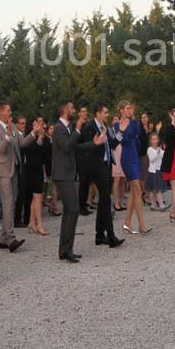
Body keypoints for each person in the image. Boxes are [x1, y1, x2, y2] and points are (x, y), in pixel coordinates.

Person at [52, 100, 99, 262]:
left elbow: (76, 147)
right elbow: (66, 147)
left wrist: (94, 143)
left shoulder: (68, 128)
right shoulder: (58, 128)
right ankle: (66, 249)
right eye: (72, 108)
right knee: (73, 208)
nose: (74, 110)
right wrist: (78, 129)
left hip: (68, 174)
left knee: (69, 211)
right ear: (65, 110)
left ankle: (65, 250)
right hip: (62, 174)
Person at [0, 103, 38, 253]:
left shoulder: (12, 127)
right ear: (1, 112)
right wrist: (7, 134)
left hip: (14, 170)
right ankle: (10, 239)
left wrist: (33, 133)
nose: (11, 112)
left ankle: (4, 239)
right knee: (8, 204)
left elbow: (22, 143)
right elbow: (2, 148)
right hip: (3, 171)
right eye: (9, 110)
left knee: (11, 202)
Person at [80, 104, 124, 248]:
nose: (107, 115)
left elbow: (112, 144)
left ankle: (100, 236)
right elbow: (87, 147)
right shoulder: (90, 127)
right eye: (105, 112)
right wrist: (98, 139)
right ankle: (111, 237)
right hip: (96, 167)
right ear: (98, 113)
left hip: (106, 166)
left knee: (104, 201)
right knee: (105, 200)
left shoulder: (104, 127)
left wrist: (120, 132)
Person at [115, 100, 151, 235]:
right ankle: (142, 225)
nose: (130, 110)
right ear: (122, 110)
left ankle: (127, 223)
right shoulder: (116, 124)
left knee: (134, 193)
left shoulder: (134, 123)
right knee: (137, 189)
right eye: (127, 108)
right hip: (126, 158)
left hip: (135, 156)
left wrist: (133, 119)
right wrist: (122, 130)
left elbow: (139, 135)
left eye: (131, 108)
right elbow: (118, 140)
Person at [24, 117, 49, 236]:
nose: (38, 126)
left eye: (39, 124)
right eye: (35, 124)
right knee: (37, 198)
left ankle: (31, 223)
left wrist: (41, 136)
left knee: (36, 198)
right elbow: (31, 151)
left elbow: (44, 154)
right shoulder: (28, 139)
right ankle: (39, 224)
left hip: (38, 170)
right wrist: (38, 136)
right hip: (30, 171)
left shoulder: (42, 138)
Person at [145, 133, 166, 211]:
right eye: (153, 139)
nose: (155, 141)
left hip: (159, 171)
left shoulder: (160, 149)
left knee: (154, 190)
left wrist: (163, 150)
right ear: (150, 141)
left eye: (156, 139)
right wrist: (157, 152)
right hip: (152, 172)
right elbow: (152, 159)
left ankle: (153, 205)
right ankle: (161, 205)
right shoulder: (149, 149)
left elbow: (163, 156)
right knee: (157, 189)